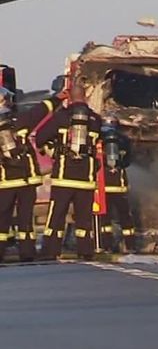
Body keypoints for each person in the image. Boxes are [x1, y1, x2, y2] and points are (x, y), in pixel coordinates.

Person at [36, 85, 102, 260]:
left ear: (70, 98)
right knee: (84, 219)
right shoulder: (95, 119)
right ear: (85, 97)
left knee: (56, 216)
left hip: (64, 177)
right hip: (86, 179)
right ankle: (86, 251)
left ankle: (50, 251)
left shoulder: (62, 117)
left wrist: (53, 152)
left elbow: (41, 138)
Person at [0, 88, 45, 262]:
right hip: (27, 180)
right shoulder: (20, 121)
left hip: (5, 182)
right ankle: (27, 253)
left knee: (3, 219)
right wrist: (58, 99)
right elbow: (40, 111)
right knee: (25, 219)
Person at [99, 113, 136, 253]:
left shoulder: (98, 138)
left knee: (105, 218)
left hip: (103, 186)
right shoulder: (124, 140)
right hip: (120, 186)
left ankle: (107, 245)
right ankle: (130, 245)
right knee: (125, 217)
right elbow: (127, 162)